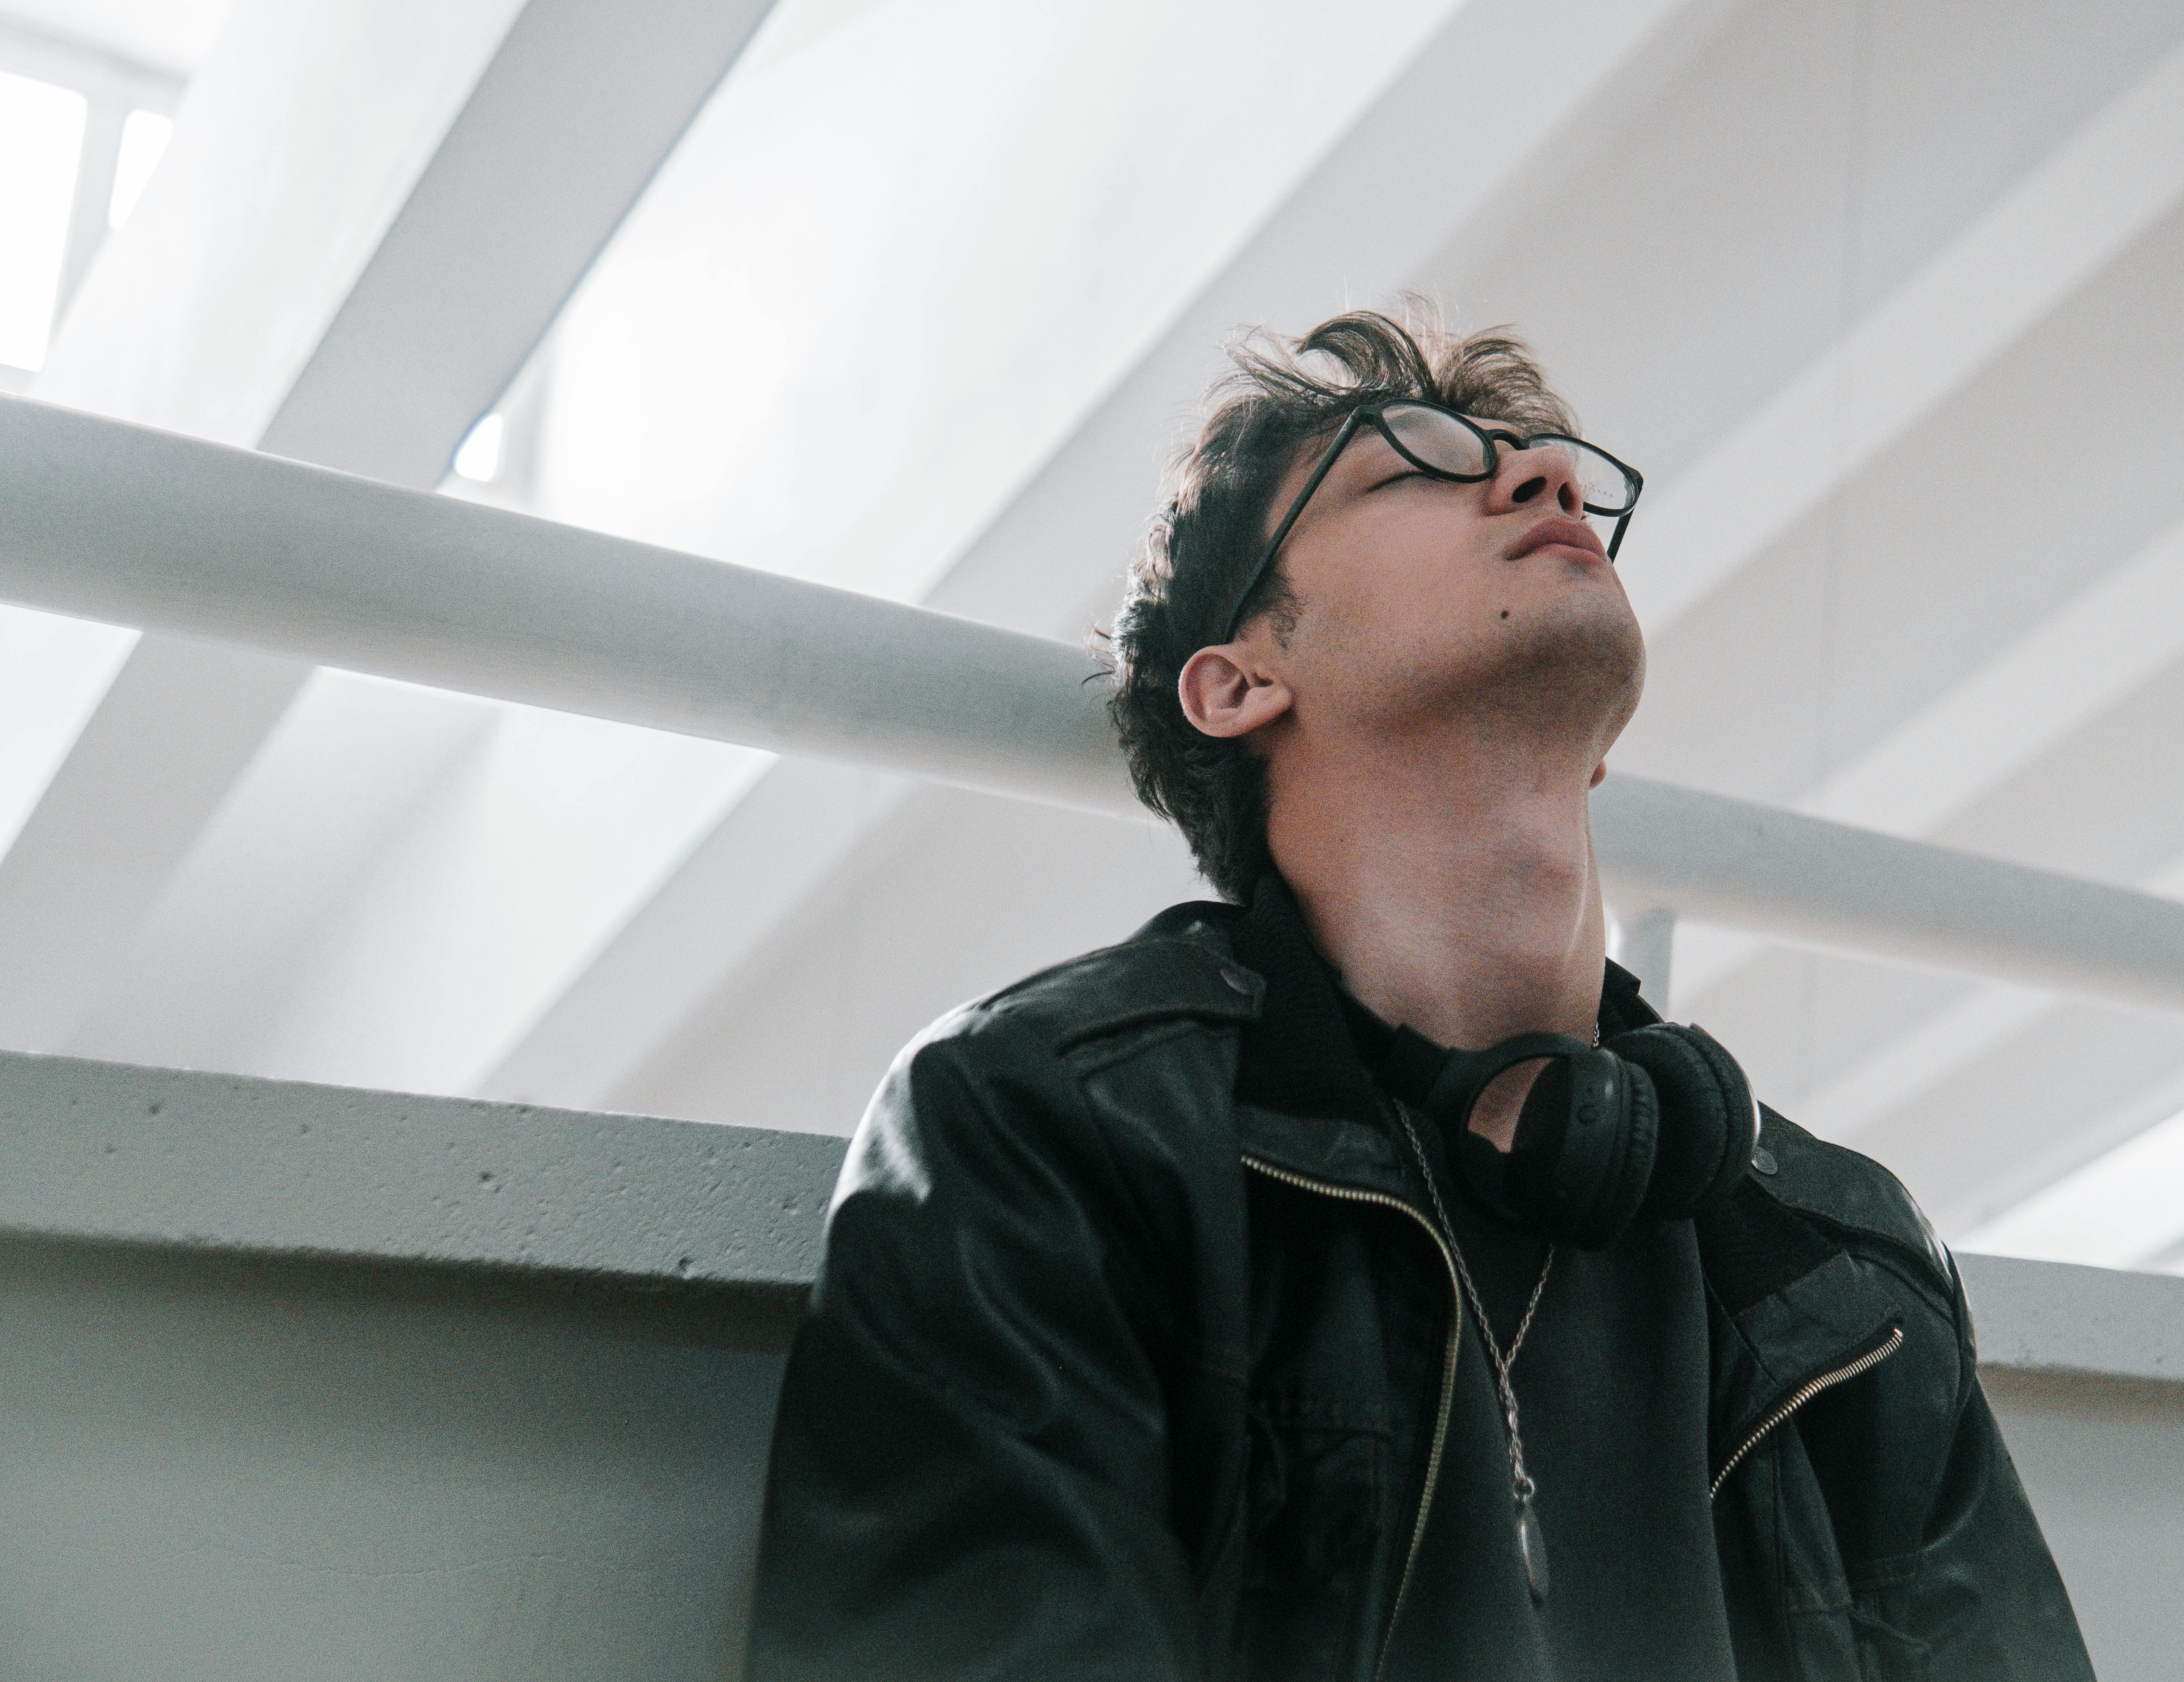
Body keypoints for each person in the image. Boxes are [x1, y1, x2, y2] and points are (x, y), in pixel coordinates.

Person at [747, 309, 2095, 1679]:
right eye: (1416, 470)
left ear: (1600, 760)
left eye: (1549, 465)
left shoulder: (1846, 1264)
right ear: (1236, 681)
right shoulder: (1050, 1123)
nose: (1548, 481)